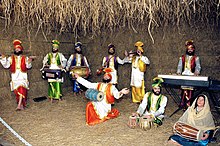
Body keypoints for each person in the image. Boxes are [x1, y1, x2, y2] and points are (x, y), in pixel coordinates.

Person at [0, 39, 34, 110]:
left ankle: (18, 105)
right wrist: (3, 59)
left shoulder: (25, 58)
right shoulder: (10, 58)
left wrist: (29, 62)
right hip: (15, 78)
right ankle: (21, 104)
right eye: (16, 49)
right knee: (17, 92)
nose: (17, 50)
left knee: (21, 88)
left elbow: (28, 67)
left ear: (21, 49)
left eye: (18, 49)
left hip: (23, 77)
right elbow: (6, 66)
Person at [177, 40, 201, 107]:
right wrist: (179, 72)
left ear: (193, 50)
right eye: (188, 49)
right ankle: (183, 104)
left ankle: (189, 105)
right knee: (184, 90)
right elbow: (179, 66)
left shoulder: (196, 58)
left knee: (190, 91)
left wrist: (197, 72)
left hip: (192, 75)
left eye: (191, 49)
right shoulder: (182, 57)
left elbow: (198, 66)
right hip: (184, 75)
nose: (190, 50)